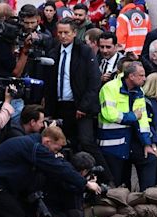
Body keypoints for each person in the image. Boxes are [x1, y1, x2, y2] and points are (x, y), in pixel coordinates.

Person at [44, 17, 113, 185]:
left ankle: (108, 179)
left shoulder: (84, 51)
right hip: (60, 105)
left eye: (66, 33)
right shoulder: (53, 50)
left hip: (81, 106)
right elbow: (50, 81)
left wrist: (84, 106)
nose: (62, 36)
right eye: (59, 32)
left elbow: (94, 81)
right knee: (62, 143)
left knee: (86, 141)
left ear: (74, 33)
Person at [98, 61, 157, 190]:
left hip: (131, 141)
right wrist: (132, 116)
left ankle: (148, 196)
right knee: (117, 182)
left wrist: (147, 143)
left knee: (149, 158)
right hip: (112, 144)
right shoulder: (110, 88)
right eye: (141, 75)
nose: (145, 79)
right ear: (131, 76)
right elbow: (109, 115)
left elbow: (143, 119)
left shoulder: (139, 91)